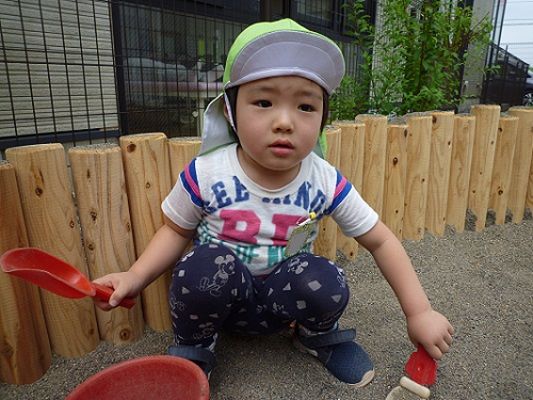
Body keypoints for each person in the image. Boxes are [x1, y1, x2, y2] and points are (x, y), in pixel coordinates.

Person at [94, 18, 453, 387]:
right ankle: (195, 349)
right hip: (223, 302)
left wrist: (419, 311)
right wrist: (135, 276)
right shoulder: (208, 172)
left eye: (306, 106)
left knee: (324, 278)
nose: (284, 122)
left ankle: (315, 336)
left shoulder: (324, 180)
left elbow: (381, 240)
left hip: (285, 306)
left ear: (323, 117)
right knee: (201, 266)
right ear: (230, 111)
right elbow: (174, 231)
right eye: (263, 102)